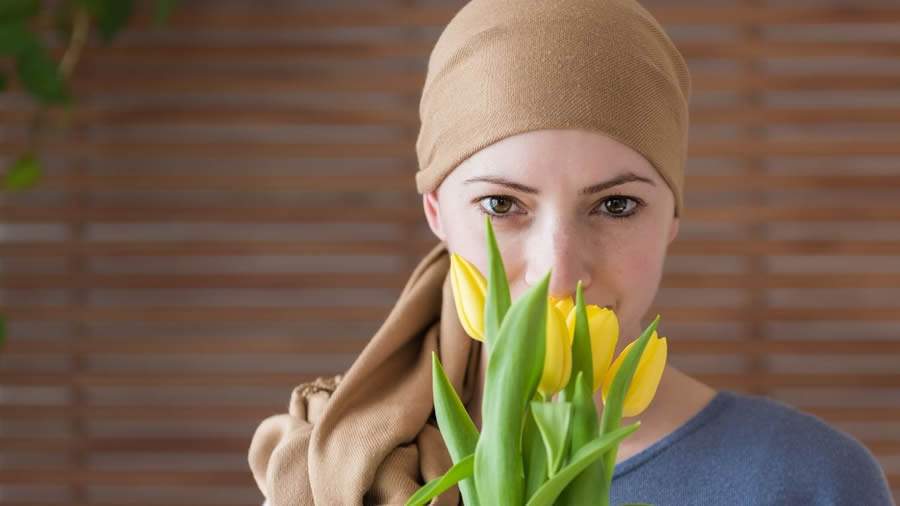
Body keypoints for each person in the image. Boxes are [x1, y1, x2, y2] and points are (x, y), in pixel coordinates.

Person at [248, 0, 895, 505]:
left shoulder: (811, 483)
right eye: (503, 205)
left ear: (673, 217)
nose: (559, 271)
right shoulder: (336, 470)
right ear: (436, 214)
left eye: (615, 206)